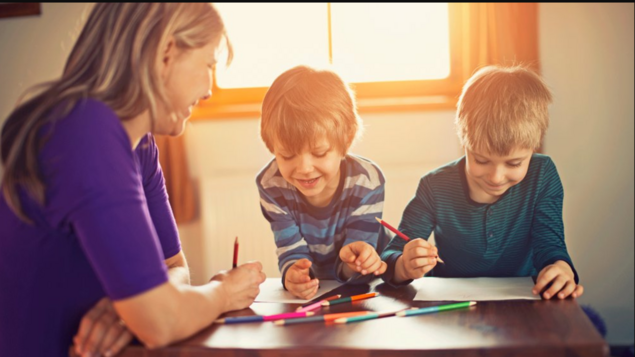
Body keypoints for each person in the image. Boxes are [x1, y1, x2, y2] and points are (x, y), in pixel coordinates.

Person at [0, 4, 266, 357]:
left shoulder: (138, 146)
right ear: (166, 53)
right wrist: (223, 292)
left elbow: (174, 268)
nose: (207, 90)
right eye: (208, 65)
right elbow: (161, 323)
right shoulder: (87, 131)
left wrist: (127, 308)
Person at [380, 65, 584, 301]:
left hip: (527, 302)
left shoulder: (542, 175)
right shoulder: (434, 186)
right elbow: (391, 255)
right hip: (451, 304)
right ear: (464, 141)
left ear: (533, 147)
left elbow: (550, 245)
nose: (496, 177)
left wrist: (560, 267)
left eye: (514, 163)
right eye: (481, 160)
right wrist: (403, 266)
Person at [256, 65, 390, 299]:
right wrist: (293, 276)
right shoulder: (271, 185)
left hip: (366, 290)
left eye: (319, 153)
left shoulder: (367, 181)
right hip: (316, 294)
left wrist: (356, 261)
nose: (305, 169)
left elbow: (358, 268)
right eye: (287, 156)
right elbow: (291, 253)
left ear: (344, 143)